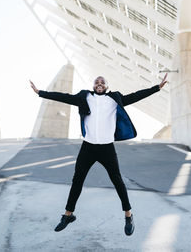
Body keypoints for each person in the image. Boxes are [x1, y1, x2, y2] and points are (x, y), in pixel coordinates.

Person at [30, 73, 168, 236]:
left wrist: (157, 88)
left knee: (117, 181)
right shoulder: (84, 97)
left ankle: (128, 215)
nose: (99, 83)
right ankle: (68, 215)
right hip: (88, 147)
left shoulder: (114, 98)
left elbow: (136, 96)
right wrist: (40, 92)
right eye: (97, 82)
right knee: (77, 180)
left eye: (103, 82)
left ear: (107, 86)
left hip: (106, 148)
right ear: (94, 85)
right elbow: (63, 97)